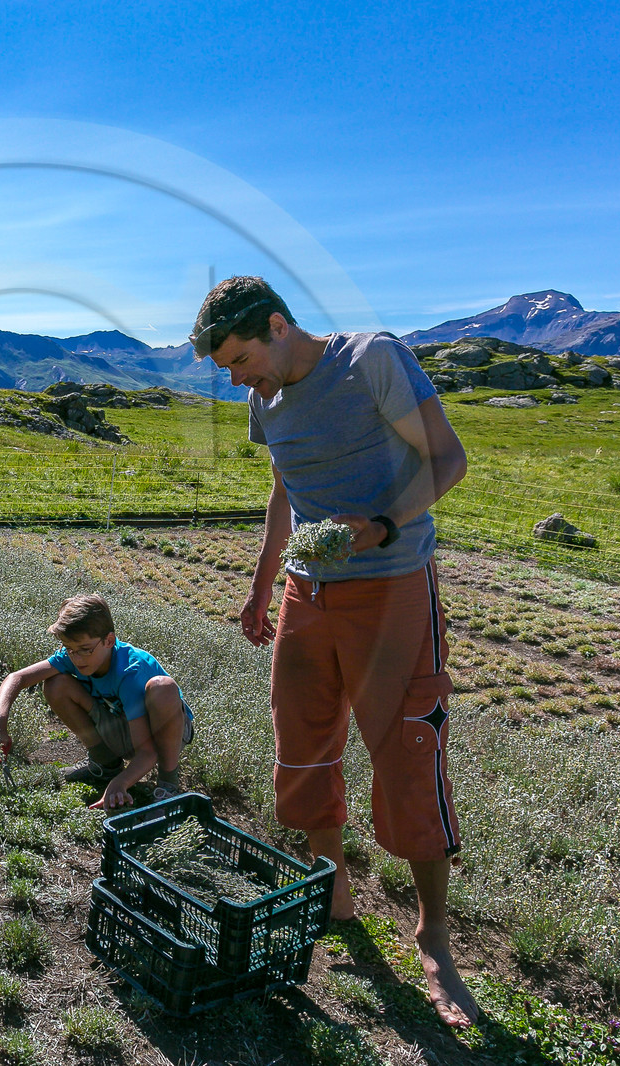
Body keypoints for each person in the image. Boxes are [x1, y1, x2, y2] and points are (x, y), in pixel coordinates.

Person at [191, 276, 477, 1029]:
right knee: (305, 743)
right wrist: (260, 588)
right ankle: (332, 886)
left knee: (407, 751)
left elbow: (447, 460)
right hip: (305, 595)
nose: (237, 378)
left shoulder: (371, 361)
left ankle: (433, 935)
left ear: (280, 327)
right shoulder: (266, 399)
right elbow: (284, 492)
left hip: (390, 589)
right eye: (226, 367)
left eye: (242, 358)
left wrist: (382, 524)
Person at [0, 594, 193, 810]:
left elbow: (147, 752)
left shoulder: (130, 670)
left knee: (163, 687)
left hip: (164, 731)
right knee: (55, 684)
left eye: (85, 650)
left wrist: (120, 784)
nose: (77, 658)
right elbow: (17, 678)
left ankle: (168, 785)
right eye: (69, 649)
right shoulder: (75, 653)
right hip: (123, 724)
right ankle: (105, 765)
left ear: (109, 641)